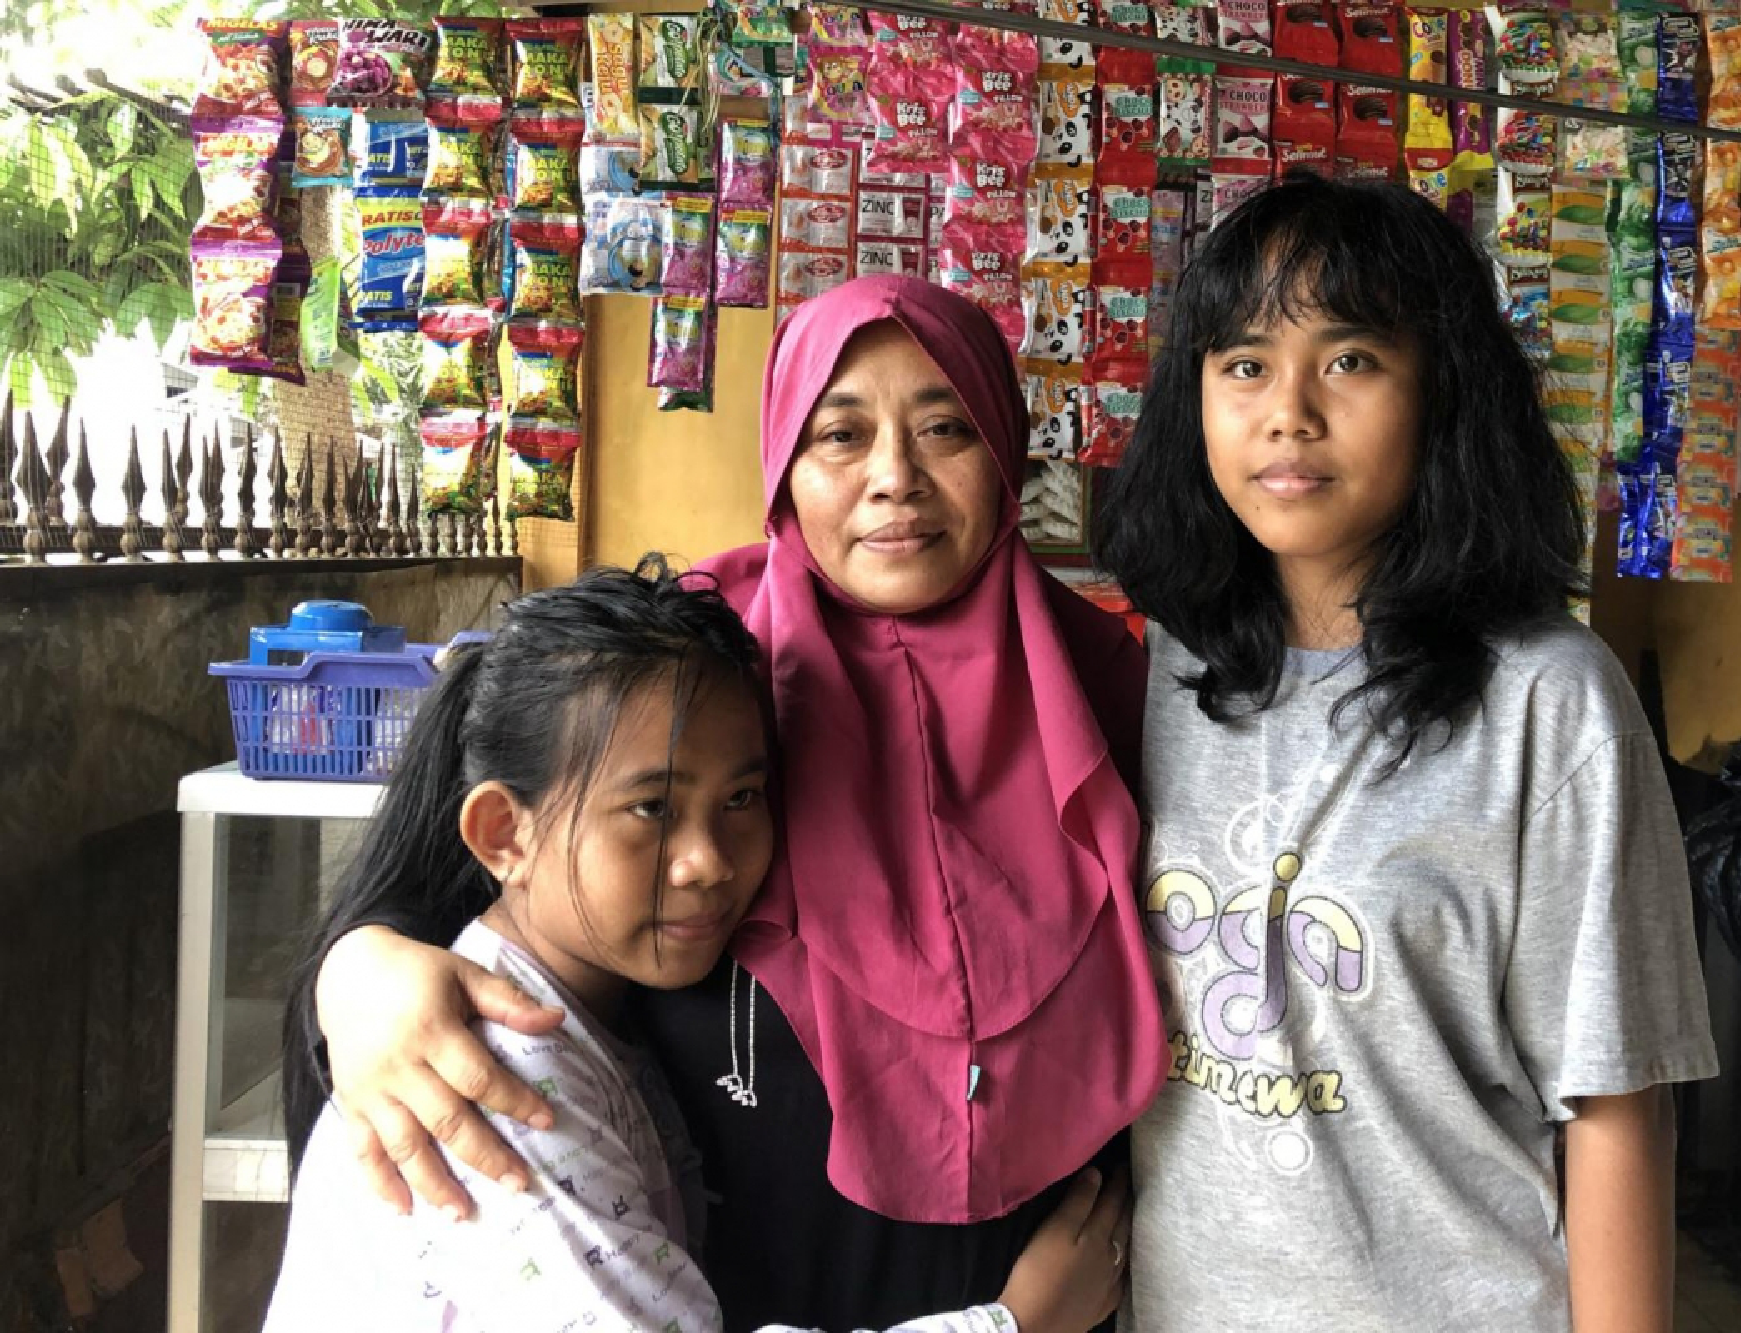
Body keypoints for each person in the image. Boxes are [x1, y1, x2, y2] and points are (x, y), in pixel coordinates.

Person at [305, 277, 1164, 1328]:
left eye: (945, 427)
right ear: (782, 468)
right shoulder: (699, 660)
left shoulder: (1113, 692)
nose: (893, 478)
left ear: (1005, 454)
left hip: (1064, 1285)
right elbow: (494, 835)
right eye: (838, 435)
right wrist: (358, 969)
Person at [1095, 175, 1718, 1333]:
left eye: (1348, 360)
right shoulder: (1151, 676)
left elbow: (1616, 1108)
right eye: (1242, 364)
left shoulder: (1549, 703)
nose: (1287, 411)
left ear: (1441, 393)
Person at [268, 561, 1129, 1333]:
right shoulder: (497, 1077)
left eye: (743, 796)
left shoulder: (598, 1007)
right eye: (652, 808)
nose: (709, 861)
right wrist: (1020, 1324)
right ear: (503, 833)